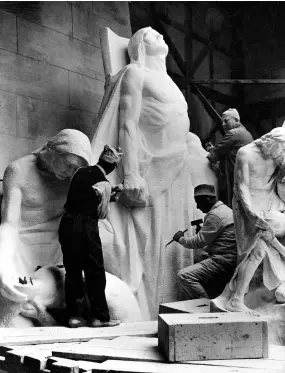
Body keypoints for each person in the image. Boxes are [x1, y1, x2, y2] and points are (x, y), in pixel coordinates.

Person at [91, 27, 217, 319]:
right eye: (152, 35)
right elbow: (128, 124)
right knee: (151, 242)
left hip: (177, 168)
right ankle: (146, 310)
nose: (161, 36)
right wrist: (132, 173)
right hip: (151, 171)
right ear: (140, 46)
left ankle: (172, 306)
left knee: (174, 242)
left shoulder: (170, 81)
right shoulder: (135, 73)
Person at [0, 129, 91, 305]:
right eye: (68, 164)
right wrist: (3, 262)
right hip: (22, 243)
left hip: (57, 245)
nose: (70, 172)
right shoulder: (18, 170)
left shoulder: (74, 180)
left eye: (76, 169)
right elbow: (9, 224)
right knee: (13, 288)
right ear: (52, 150)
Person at [211, 126, 285, 316]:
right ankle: (235, 299)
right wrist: (253, 216)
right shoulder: (246, 153)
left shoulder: (277, 155)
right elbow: (242, 187)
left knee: (259, 250)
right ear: (273, 143)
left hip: (268, 203)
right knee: (256, 251)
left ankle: (235, 298)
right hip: (247, 207)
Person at [58, 145, 123, 328]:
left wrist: (107, 194)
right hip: (86, 226)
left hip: (67, 224)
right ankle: (99, 317)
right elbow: (101, 213)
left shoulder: (80, 171)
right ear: (112, 167)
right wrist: (111, 195)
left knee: (73, 270)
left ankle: (75, 317)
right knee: (95, 271)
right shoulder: (104, 183)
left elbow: (82, 194)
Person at [173, 184, 237, 300]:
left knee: (184, 275)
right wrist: (203, 231)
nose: (198, 207)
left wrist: (181, 239)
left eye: (198, 202)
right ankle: (212, 297)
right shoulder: (225, 210)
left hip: (223, 261)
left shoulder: (215, 215)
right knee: (198, 258)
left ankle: (205, 305)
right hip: (230, 258)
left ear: (208, 199)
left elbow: (199, 242)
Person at [207, 108, 253, 208]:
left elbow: (214, 155)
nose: (223, 124)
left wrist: (210, 151)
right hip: (245, 178)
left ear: (236, 120)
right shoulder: (247, 134)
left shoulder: (233, 133)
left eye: (226, 121)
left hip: (233, 179)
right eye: (222, 122)